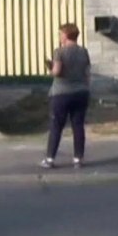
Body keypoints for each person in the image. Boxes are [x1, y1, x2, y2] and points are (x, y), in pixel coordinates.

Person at [41, 23, 92, 169]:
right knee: (78, 125)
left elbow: (57, 72)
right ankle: (78, 159)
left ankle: (50, 159)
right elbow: (87, 73)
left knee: (57, 125)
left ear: (66, 35)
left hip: (61, 93)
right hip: (81, 92)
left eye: (60, 34)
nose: (59, 36)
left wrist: (50, 68)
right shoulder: (84, 52)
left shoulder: (60, 52)